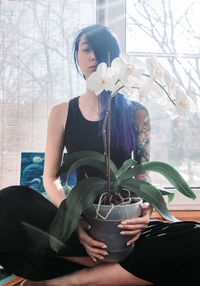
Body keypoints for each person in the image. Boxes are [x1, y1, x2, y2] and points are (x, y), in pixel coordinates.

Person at [0, 24, 199, 286]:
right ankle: (117, 266)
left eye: (101, 50)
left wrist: (144, 212)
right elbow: (51, 177)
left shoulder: (136, 112)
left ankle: (68, 280)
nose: (94, 57)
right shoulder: (61, 112)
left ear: (115, 59)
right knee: (8, 202)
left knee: (194, 235)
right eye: (86, 50)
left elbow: (141, 175)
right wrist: (76, 222)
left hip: (122, 223)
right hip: (81, 219)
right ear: (77, 57)